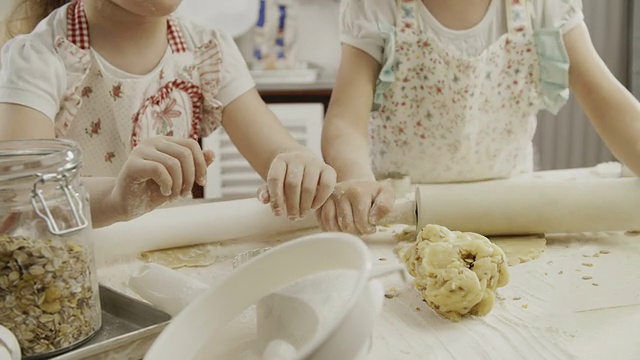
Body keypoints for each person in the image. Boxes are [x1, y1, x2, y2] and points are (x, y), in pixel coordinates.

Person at [0, 0, 336, 228]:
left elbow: (279, 153)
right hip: (81, 270)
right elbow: (23, 199)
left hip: (167, 255)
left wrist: (298, 165)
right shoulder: (38, 59)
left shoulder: (206, 47)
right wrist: (117, 198)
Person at [318, 0, 640, 235]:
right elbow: (345, 122)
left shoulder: (543, 5)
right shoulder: (377, 6)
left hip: (510, 214)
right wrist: (356, 175)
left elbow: (611, 107)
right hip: (400, 217)